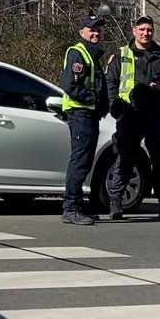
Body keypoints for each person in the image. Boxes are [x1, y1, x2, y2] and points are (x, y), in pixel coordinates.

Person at [105, 15, 160, 220]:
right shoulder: (121, 54)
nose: (145, 33)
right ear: (134, 31)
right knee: (125, 160)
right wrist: (115, 107)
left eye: (149, 29)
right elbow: (110, 83)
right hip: (130, 115)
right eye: (141, 29)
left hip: (157, 115)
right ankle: (116, 203)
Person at [59, 14, 109, 225]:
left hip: (88, 114)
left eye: (98, 29)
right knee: (80, 161)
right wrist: (95, 100)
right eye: (91, 29)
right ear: (82, 32)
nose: (95, 32)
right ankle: (70, 207)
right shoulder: (78, 53)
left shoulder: (92, 55)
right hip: (80, 113)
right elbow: (72, 86)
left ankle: (77, 204)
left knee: (85, 161)